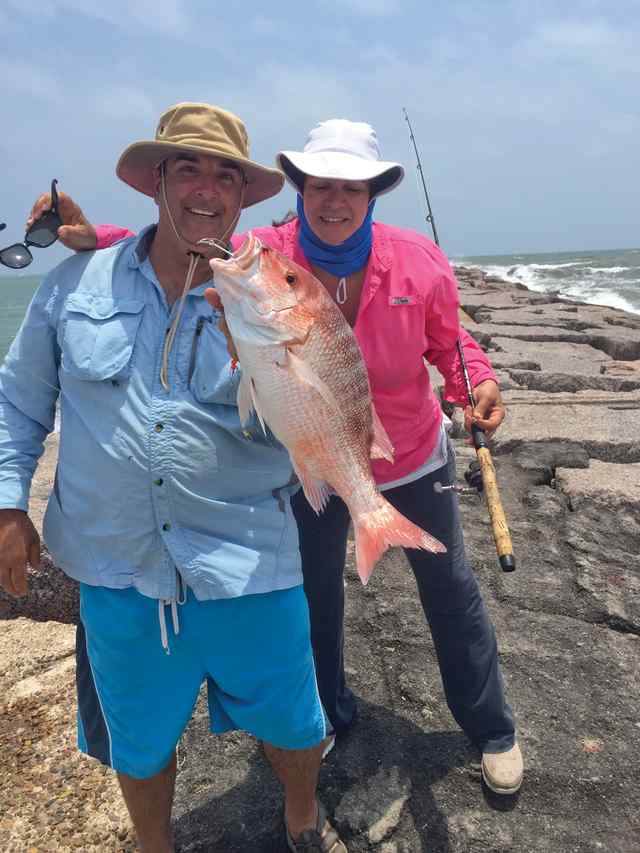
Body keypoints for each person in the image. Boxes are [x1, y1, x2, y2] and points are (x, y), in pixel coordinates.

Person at [29, 119, 523, 796]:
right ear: (299, 188)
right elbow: (188, 243)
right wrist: (93, 239)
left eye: (351, 188)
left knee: (452, 588)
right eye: (319, 185)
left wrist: (479, 379)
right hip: (311, 454)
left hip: (410, 454)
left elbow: (450, 341)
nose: (334, 201)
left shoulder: (419, 262)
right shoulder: (268, 253)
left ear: (373, 194)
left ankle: (491, 725)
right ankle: (326, 714)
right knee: (314, 593)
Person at [0, 103, 348, 853]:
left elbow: (313, 418)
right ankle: (154, 843)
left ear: (243, 197)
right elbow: (18, 401)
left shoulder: (275, 290)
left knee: (293, 718)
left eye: (225, 175)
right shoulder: (73, 286)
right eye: (186, 167)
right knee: (139, 736)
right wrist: (7, 505)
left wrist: (272, 357)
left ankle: (301, 815)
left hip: (250, 561)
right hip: (116, 568)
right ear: (157, 181)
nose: (205, 187)